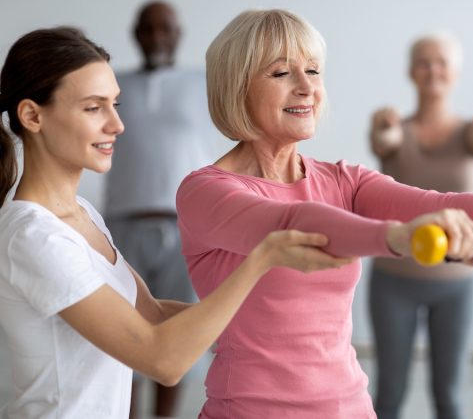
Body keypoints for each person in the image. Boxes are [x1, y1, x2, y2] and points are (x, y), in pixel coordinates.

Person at [175, 8, 473, 419]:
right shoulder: (206, 192)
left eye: (313, 70)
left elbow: (445, 203)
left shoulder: (342, 179)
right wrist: (403, 238)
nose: (308, 86)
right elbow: (296, 225)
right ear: (237, 85)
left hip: (349, 407)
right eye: (281, 72)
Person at [0, 27, 352, 419]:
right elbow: (162, 359)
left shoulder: (80, 213)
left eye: (116, 104)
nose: (117, 125)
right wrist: (261, 259)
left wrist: (279, 327)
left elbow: (149, 313)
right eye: (93, 107)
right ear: (32, 115)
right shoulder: (33, 235)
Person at [368, 32, 473, 419]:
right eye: (424, 62)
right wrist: (384, 130)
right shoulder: (393, 127)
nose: (433, 70)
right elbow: (385, 140)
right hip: (394, 280)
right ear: (411, 71)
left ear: (456, 72)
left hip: (460, 285)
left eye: (442, 62)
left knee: (450, 397)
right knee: (389, 394)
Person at [103, 0, 218, 418]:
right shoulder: (111, 86)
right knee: (124, 335)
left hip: (185, 227)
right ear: (136, 34)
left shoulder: (204, 85)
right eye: (147, 29)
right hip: (122, 227)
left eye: (164, 28)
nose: (156, 37)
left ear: (178, 32)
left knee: (177, 335)